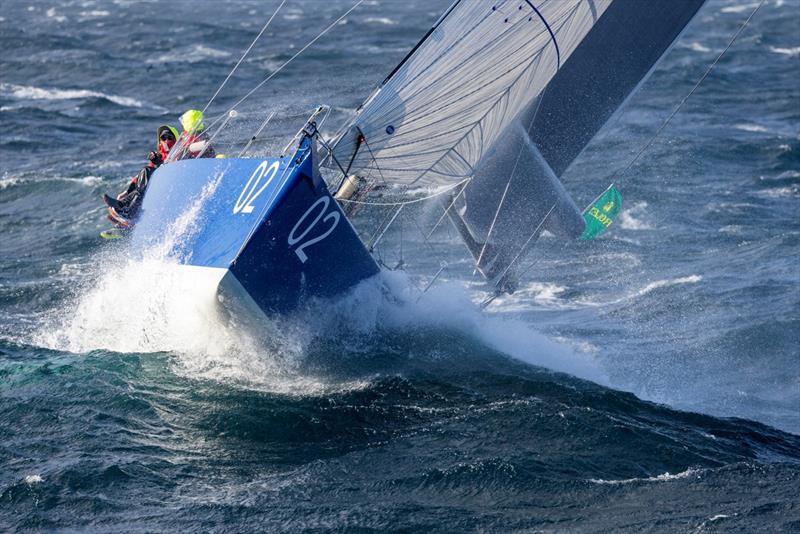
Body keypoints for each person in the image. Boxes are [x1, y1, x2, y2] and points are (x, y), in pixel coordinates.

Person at [103, 124, 178, 228]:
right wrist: (126, 191)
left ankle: (128, 211)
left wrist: (159, 163)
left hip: (169, 187)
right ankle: (123, 210)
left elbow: (175, 167)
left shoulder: (179, 153)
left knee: (146, 173)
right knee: (144, 175)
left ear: (176, 140)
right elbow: (141, 176)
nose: (166, 141)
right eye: (163, 138)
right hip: (156, 188)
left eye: (169, 137)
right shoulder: (159, 155)